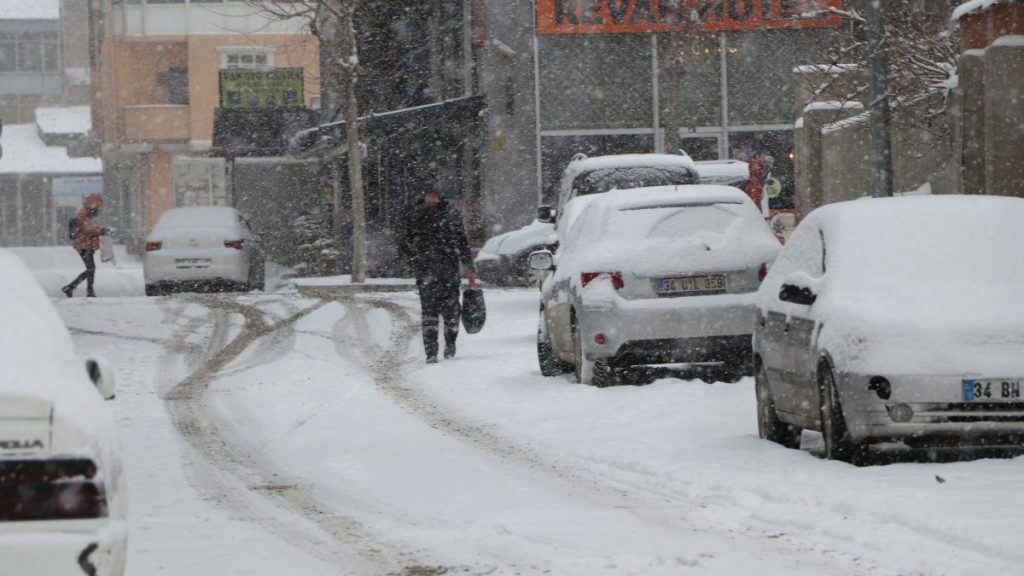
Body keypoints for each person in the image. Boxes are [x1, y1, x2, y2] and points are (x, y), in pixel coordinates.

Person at [402, 189, 477, 363]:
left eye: (435, 195)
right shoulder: (415, 215)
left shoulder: (451, 215)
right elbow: (404, 241)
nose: (432, 198)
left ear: (440, 197)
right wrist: (416, 258)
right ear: (424, 197)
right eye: (429, 195)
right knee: (429, 315)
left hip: (449, 272)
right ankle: (431, 352)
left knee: (452, 313)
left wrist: (469, 267)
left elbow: (461, 240)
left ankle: (450, 345)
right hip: (426, 272)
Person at [62, 194, 109, 298]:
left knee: (90, 269)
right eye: (98, 206)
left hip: (87, 245)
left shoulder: (89, 214)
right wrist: (101, 231)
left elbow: (92, 227)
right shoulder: (84, 214)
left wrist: (102, 230)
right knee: (91, 269)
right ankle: (78, 289)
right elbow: (87, 229)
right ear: (93, 204)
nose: (99, 208)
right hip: (83, 245)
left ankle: (80, 289)